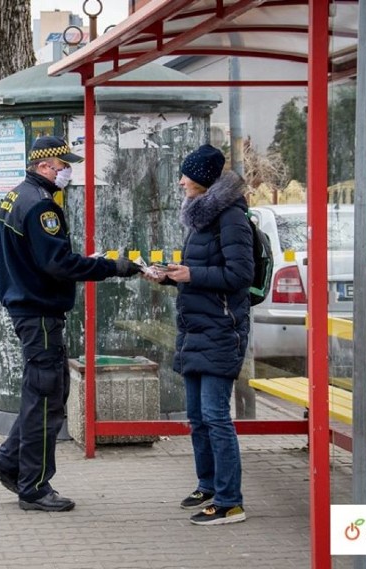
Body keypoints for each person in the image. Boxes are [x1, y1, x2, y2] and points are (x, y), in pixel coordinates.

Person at [0, 135, 142, 512]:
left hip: (29, 308)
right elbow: (58, 264)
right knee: (47, 400)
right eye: (62, 166)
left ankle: (8, 462)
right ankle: (35, 487)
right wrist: (112, 267)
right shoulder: (42, 207)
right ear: (44, 166)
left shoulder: (15, 197)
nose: (66, 173)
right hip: (39, 312)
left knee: (41, 394)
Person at [143, 144, 253, 525]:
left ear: (204, 180)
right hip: (195, 328)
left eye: (187, 175)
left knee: (215, 415)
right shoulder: (200, 218)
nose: (181, 182)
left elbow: (241, 276)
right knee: (197, 416)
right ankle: (207, 485)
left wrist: (192, 275)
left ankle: (230, 501)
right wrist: (173, 274)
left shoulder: (232, 219)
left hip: (222, 330)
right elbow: (201, 271)